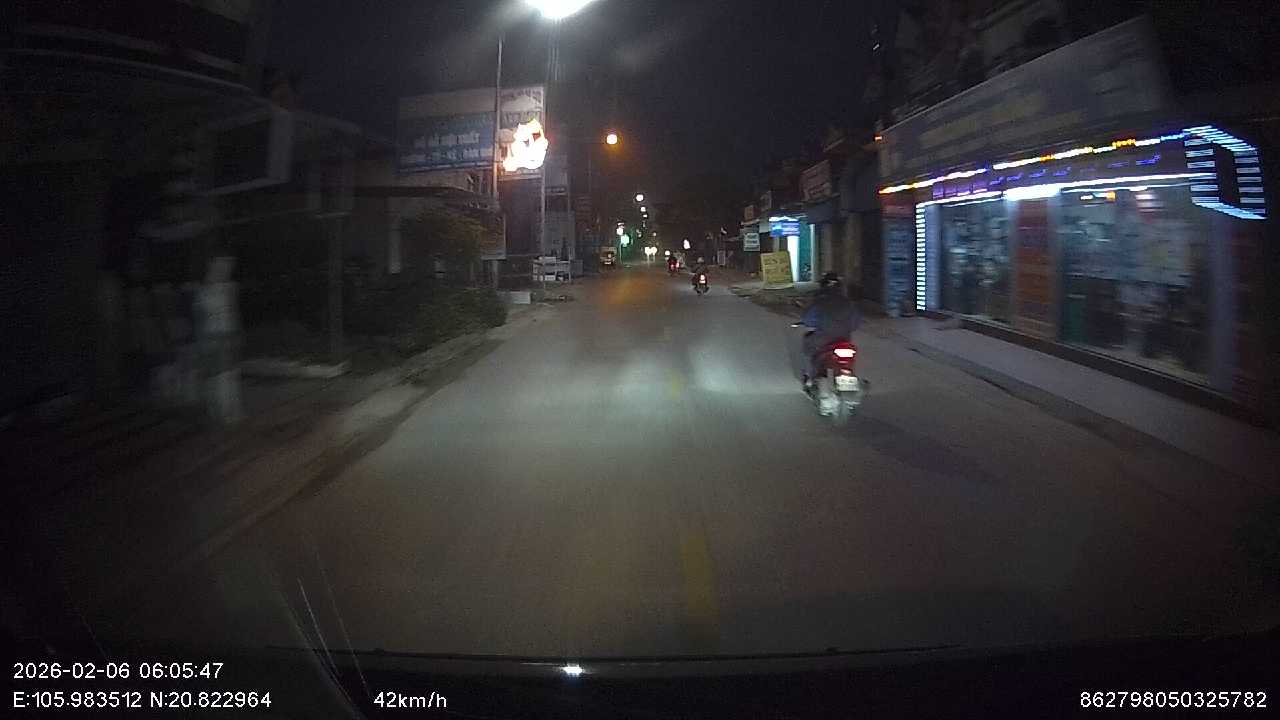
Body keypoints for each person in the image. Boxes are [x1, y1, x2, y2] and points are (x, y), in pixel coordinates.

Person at [800, 272, 861, 389]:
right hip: (844, 340)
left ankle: (809, 378)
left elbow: (808, 320)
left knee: (808, 345)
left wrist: (815, 323)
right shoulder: (847, 302)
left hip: (822, 340)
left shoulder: (820, 301)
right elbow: (856, 323)